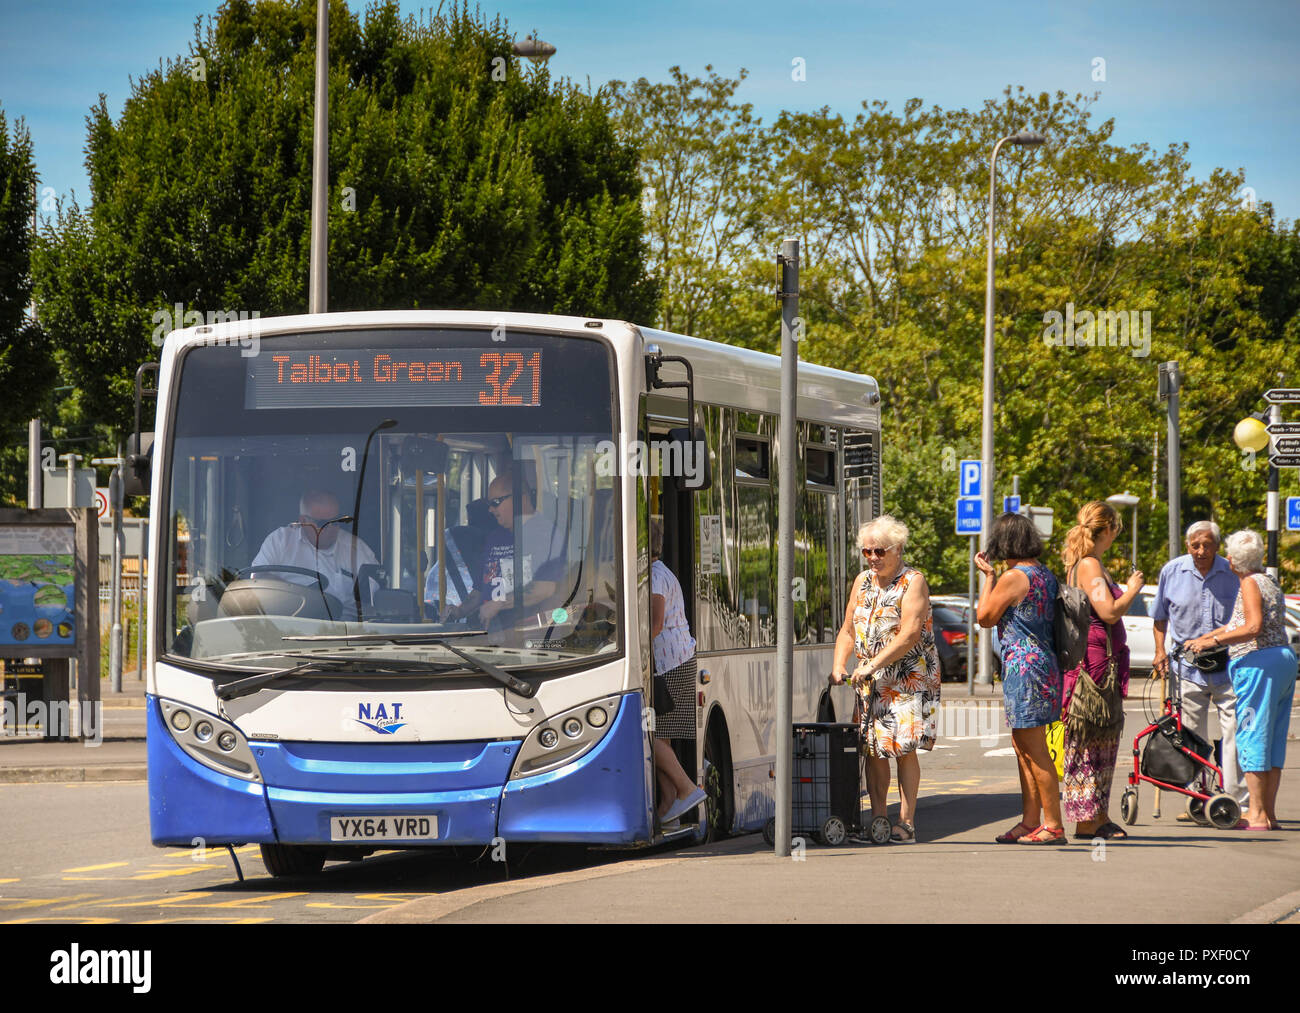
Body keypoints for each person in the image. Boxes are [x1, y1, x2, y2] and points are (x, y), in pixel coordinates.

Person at [831, 515, 940, 843]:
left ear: (898, 549)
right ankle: (878, 820)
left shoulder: (913, 581)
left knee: (904, 748)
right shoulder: (862, 581)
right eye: (867, 552)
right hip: (870, 679)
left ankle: (905, 823)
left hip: (909, 676)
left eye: (879, 551)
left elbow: (909, 633)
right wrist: (839, 664)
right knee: (873, 749)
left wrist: (873, 663)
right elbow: (848, 629)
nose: (873, 558)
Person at [1186, 530, 1297, 830]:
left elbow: (1252, 627)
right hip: (1283, 660)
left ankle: (1256, 814)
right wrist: (1208, 636)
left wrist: (1213, 642)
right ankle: (1269, 814)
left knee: (1252, 733)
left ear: (1234, 560)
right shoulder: (1268, 580)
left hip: (1257, 663)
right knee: (1273, 737)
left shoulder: (1248, 582)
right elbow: (1238, 623)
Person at [976, 513, 1064, 845]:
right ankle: (1030, 821)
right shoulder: (1044, 573)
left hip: (1025, 668)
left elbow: (985, 618)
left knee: (1035, 748)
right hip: (1042, 664)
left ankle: (1053, 824)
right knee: (1022, 744)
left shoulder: (1014, 576)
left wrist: (988, 578)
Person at [1060, 500, 1143, 840]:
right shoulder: (1090, 565)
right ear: (1107, 530)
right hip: (1093, 666)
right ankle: (1086, 820)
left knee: (1100, 741)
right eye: (1115, 530)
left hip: (1100, 662)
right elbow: (1108, 612)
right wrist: (1133, 589)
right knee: (1088, 739)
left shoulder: (1087, 563)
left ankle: (1098, 815)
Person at [1150, 520, 1246, 813]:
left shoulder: (1233, 572)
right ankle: (1197, 798)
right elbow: (1160, 617)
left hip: (1228, 665)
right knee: (1192, 734)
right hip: (1187, 669)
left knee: (1234, 734)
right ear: (1187, 544)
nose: (1201, 551)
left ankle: (1235, 800)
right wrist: (1159, 651)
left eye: (1207, 545)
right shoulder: (1172, 571)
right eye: (1195, 545)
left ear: (1218, 546)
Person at [443, 473, 565, 625]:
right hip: (492, 632)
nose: (490, 510)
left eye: (496, 502)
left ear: (520, 498)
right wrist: (459, 611)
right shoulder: (495, 538)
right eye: (489, 504)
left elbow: (544, 588)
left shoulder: (545, 534)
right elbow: (481, 590)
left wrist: (500, 603)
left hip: (525, 632)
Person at [649, 518, 707, 825]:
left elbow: (655, 624)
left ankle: (686, 789)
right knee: (664, 738)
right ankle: (668, 808)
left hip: (670, 663)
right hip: (677, 661)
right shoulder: (661, 573)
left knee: (649, 734)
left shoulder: (655, 577)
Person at [250, 490, 378, 607]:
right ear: (303, 521)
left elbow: (377, 599)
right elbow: (258, 579)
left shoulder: (356, 549)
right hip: (288, 623)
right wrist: (295, 595)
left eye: (336, 521)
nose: (332, 528)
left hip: (344, 627)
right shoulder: (280, 541)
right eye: (323, 523)